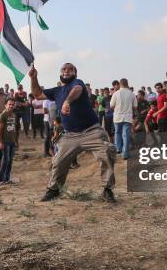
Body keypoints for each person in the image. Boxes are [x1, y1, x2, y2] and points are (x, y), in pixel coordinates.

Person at [30, 63, 117, 203]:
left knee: (107, 151)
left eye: (70, 69)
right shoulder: (57, 91)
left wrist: (67, 102)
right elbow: (37, 94)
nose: (66, 71)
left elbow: (76, 90)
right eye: (64, 69)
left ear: (75, 73)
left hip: (91, 131)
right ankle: (54, 190)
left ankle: (107, 190)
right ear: (60, 73)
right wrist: (34, 78)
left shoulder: (77, 83)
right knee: (58, 162)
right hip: (70, 135)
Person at [110, 78, 137, 160]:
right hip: (127, 117)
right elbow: (135, 106)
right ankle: (125, 154)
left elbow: (111, 106)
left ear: (120, 84)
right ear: (127, 83)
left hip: (117, 117)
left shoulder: (115, 93)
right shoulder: (132, 94)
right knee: (125, 135)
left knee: (117, 133)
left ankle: (118, 149)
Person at [0, 99, 17, 184]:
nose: (11, 106)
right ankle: (1, 179)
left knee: (10, 161)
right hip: (5, 141)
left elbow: (14, 129)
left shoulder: (13, 115)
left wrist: (15, 141)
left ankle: (7, 179)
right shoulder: (3, 115)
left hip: (12, 141)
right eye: (9, 104)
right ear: (6, 105)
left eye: (12, 104)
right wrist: (0, 142)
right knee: (5, 160)